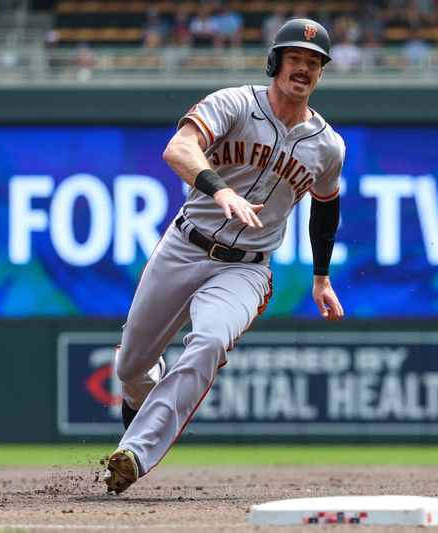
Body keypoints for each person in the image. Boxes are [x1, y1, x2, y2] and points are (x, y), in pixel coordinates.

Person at [103, 18, 346, 495]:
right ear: (276, 61)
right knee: (130, 369)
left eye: (314, 62)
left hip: (245, 268)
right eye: (295, 57)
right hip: (185, 244)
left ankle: (134, 453)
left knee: (210, 341)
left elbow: (327, 205)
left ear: (321, 74)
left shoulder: (328, 146)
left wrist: (322, 278)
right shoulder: (234, 102)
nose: (304, 68)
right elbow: (179, 148)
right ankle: (142, 385)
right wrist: (219, 191)